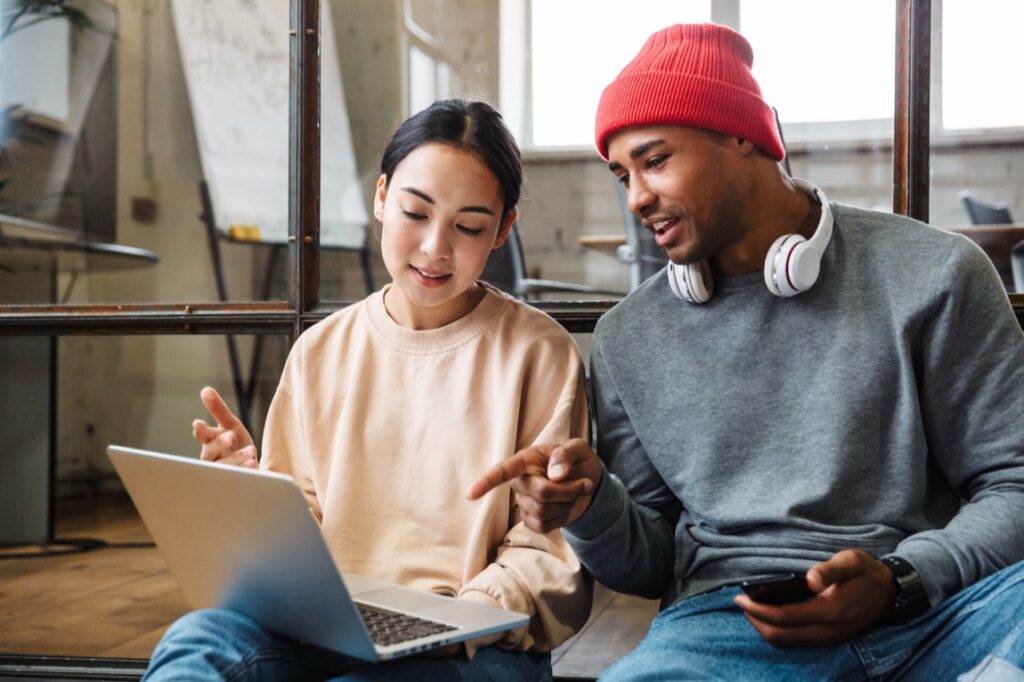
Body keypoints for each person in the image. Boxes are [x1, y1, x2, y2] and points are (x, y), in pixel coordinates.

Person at [469, 23, 1024, 681]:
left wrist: (903, 577)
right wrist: (592, 509)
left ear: (741, 136)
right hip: (724, 633)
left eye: (654, 160)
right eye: (622, 175)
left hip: (936, 616)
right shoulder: (629, 337)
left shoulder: (935, 274)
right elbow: (649, 564)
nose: (637, 197)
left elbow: (1014, 483)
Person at [144, 99, 592, 681]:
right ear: (382, 198)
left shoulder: (539, 353)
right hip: (325, 625)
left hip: (479, 646)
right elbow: (299, 526)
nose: (435, 247)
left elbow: (545, 553)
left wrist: (460, 622)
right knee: (197, 640)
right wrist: (247, 497)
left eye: (469, 226)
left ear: (503, 229)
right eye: (415, 212)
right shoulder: (320, 350)